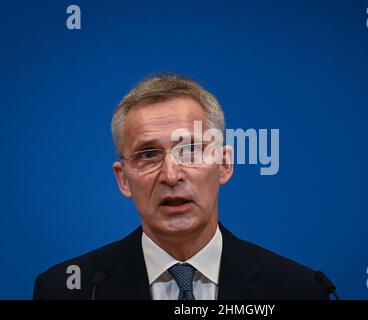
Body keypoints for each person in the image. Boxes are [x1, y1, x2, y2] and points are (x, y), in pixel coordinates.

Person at [33, 74, 329, 300]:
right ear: (123, 178)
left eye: (189, 150)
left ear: (224, 164)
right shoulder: (67, 289)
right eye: (148, 154)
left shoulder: (297, 290)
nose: (171, 175)